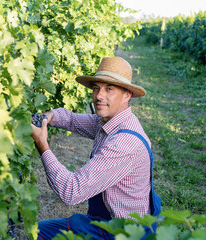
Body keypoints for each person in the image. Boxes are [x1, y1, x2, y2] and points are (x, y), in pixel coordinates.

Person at [31, 56, 160, 240]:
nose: (99, 96)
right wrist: (48, 116)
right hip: (107, 221)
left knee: (38, 233)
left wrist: (42, 145)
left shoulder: (123, 143)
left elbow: (71, 191)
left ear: (127, 95)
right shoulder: (109, 121)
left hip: (124, 233)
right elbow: (72, 120)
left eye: (109, 89)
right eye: (96, 88)